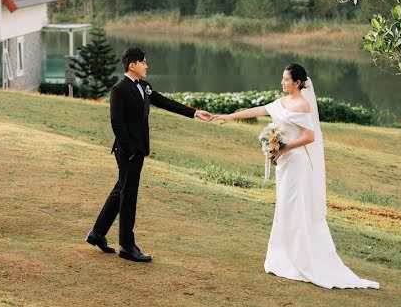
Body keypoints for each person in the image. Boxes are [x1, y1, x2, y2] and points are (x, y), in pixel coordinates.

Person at [213, 64, 379, 289]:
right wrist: (230, 116)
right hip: (284, 164)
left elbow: (310, 136)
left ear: (297, 83)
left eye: (286, 79)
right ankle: (282, 258)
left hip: (297, 163)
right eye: (282, 79)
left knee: (295, 207)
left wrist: (284, 147)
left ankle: (301, 260)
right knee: (284, 207)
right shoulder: (282, 102)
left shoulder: (302, 104)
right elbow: (260, 110)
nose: (282, 83)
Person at [86, 47, 213, 262]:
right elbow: (116, 123)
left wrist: (194, 112)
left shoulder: (144, 87)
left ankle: (97, 233)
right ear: (132, 65)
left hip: (139, 150)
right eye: (143, 62)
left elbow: (164, 102)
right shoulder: (119, 89)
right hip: (128, 153)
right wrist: (130, 151)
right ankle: (127, 246)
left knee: (121, 190)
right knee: (128, 197)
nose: (147, 66)